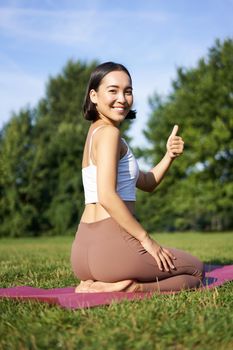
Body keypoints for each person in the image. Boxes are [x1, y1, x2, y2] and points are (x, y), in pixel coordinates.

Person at [70, 62, 204, 293]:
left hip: (82, 251)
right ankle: (133, 288)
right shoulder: (110, 134)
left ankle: (98, 283)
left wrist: (169, 156)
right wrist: (146, 239)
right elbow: (107, 196)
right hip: (112, 250)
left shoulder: (96, 134)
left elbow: (146, 182)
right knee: (197, 270)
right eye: (113, 90)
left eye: (128, 91)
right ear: (94, 95)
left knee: (184, 267)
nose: (122, 98)